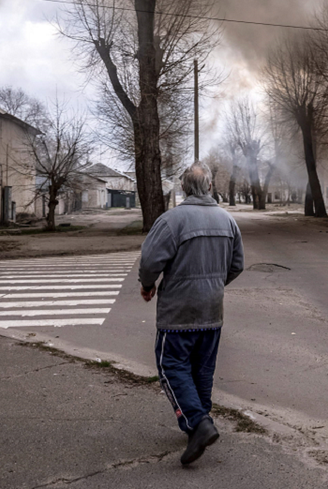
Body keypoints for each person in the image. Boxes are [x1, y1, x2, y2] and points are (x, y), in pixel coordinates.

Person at [139, 161, 244, 466]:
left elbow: (149, 262)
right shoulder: (228, 221)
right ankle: (199, 423)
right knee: (201, 369)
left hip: (179, 313)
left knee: (171, 366)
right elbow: (236, 265)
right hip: (212, 311)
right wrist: (213, 285)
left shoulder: (172, 220)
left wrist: (148, 285)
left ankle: (198, 424)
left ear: (184, 188)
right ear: (210, 186)